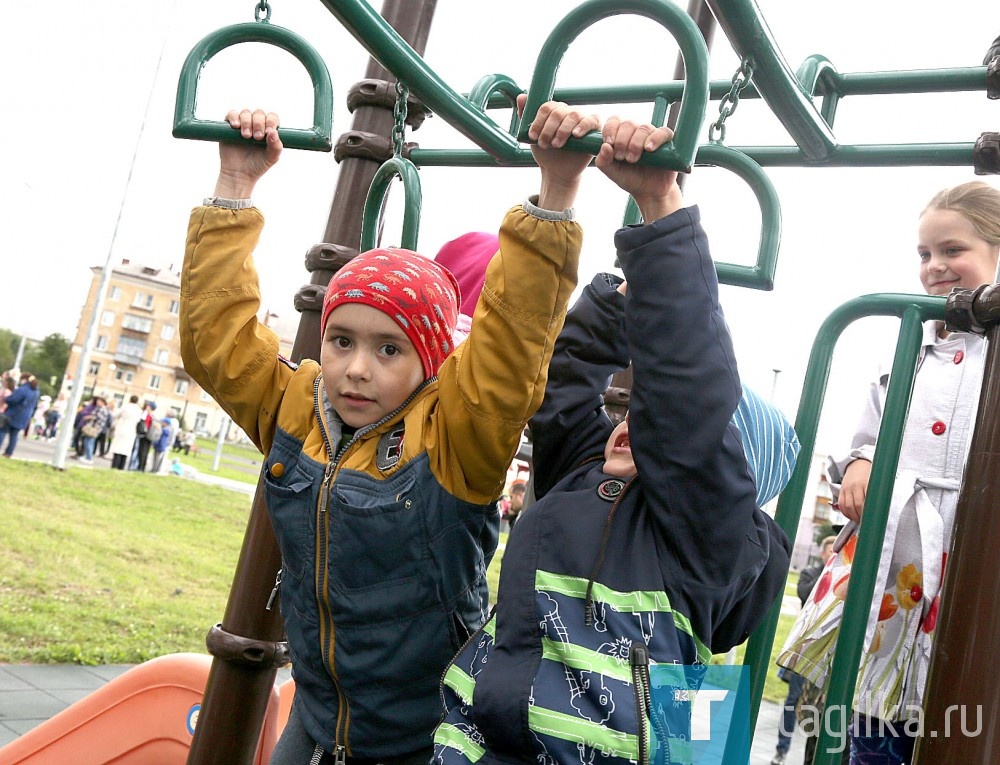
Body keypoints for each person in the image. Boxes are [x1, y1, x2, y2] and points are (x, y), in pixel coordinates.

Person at [179, 98, 599, 764]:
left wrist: (555, 193)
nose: (354, 369)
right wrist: (235, 185)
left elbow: (513, 344)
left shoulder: (455, 439)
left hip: (424, 734)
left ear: (430, 362)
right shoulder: (299, 408)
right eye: (342, 340)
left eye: (388, 350)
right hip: (320, 715)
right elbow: (215, 342)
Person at [433, 111, 795, 765]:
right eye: (627, 408)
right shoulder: (582, 474)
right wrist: (611, 305)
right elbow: (565, 384)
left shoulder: (699, 537)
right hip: (476, 742)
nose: (627, 422)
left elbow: (687, 395)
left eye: (650, 418)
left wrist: (660, 206)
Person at [779, 181, 1000, 765]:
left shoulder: (995, 350)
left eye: (953, 250)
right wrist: (860, 463)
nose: (935, 266)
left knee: (958, 707)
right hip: (894, 559)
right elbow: (869, 436)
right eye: (925, 254)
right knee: (872, 713)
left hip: (967, 550)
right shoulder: (906, 343)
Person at [771, 535, 838, 765]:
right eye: (830, 551)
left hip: (827, 654)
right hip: (807, 651)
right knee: (792, 702)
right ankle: (782, 749)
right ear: (823, 553)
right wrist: (832, 571)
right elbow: (805, 593)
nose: (834, 554)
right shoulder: (811, 573)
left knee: (821, 710)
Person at [0, 374, 40, 458]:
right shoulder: (36, 392)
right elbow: (35, 405)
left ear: (24, 379)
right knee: (14, 435)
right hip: (25, 416)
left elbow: (13, 399)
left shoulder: (22, 389)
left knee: (2, 431)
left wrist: (6, 399)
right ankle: (8, 453)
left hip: (13, 414)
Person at [109, 394, 143, 470]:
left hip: (122, 429)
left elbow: (116, 415)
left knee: (118, 449)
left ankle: (115, 465)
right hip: (131, 431)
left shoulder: (125, 407)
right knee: (125, 450)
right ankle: (122, 466)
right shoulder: (139, 410)